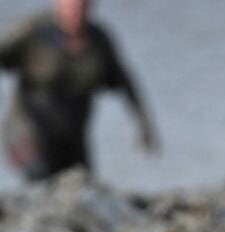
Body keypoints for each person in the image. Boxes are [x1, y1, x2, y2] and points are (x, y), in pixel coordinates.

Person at [0, 0, 157, 181]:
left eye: (82, 5)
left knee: (84, 187)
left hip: (73, 136)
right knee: (39, 177)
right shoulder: (34, 31)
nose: (75, 11)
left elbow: (125, 84)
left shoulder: (99, 41)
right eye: (70, 4)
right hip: (27, 131)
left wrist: (145, 125)